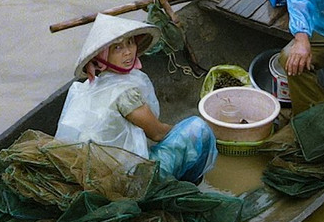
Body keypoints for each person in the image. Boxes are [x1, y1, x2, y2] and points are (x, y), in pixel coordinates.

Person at [56, 13, 219, 183]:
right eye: (117, 48)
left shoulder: (87, 87)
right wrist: (187, 134)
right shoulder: (125, 94)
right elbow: (157, 133)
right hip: (129, 180)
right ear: (102, 56)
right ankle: (188, 183)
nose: (127, 52)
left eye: (130, 42)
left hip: (99, 172)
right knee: (198, 128)